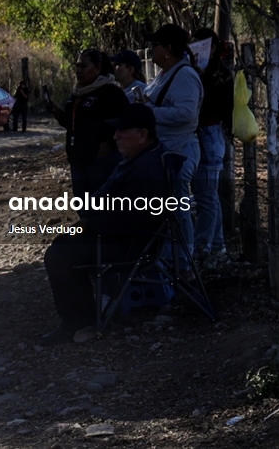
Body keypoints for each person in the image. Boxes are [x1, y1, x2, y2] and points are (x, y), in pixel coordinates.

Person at [41, 103, 169, 344]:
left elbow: (133, 221)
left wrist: (89, 224)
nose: (115, 136)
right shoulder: (142, 157)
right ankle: (83, 317)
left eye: (122, 131)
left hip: (131, 246)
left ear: (142, 134)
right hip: (123, 236)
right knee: (62, 243)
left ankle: (77, 323)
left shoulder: (146, 168)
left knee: (59, 255)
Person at [141, 24, 202, 264]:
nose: (151, 50)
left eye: (155, 45)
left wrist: (150, 113)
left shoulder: (185, 75)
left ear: (167, 49)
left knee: (178, 210)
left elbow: (186, 114)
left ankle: (184, 264)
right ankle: (167, 260)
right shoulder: (166, 73)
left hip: (180, 151)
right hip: (166, 151)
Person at [46, 49, 129, 197]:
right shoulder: (77, 93)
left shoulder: (111, 93)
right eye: (77, 66)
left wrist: (108, 142)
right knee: (83, 206)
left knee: (102, 207)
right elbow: (74, 124)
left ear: (97, 68)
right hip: (77, 159)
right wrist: (58, 113)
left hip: (101, 162)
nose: (79, 70)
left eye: (84, 66)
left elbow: (126, 122)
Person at [190, 28, 234, 267]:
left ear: (212, 47)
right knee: (207, 195)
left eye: (199, 46)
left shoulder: (219, 74)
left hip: (209, 134)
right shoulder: (204, 71)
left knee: (206, 196)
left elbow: (218, 107)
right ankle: (216, 247)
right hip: (205, 136)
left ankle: (202, 249)